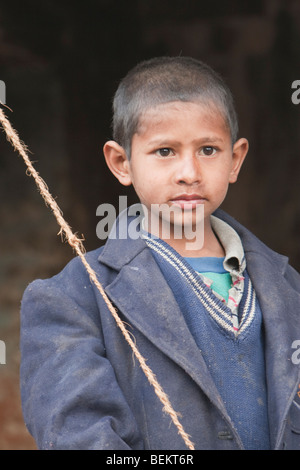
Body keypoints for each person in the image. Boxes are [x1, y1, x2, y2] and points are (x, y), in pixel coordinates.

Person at [20, 56, 300, 450]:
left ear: (235, 160)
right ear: (122, 163)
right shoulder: (73, 298)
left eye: (208, 149)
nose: (189, 172)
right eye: (165, 151)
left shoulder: (286, 286)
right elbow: (80, 436)